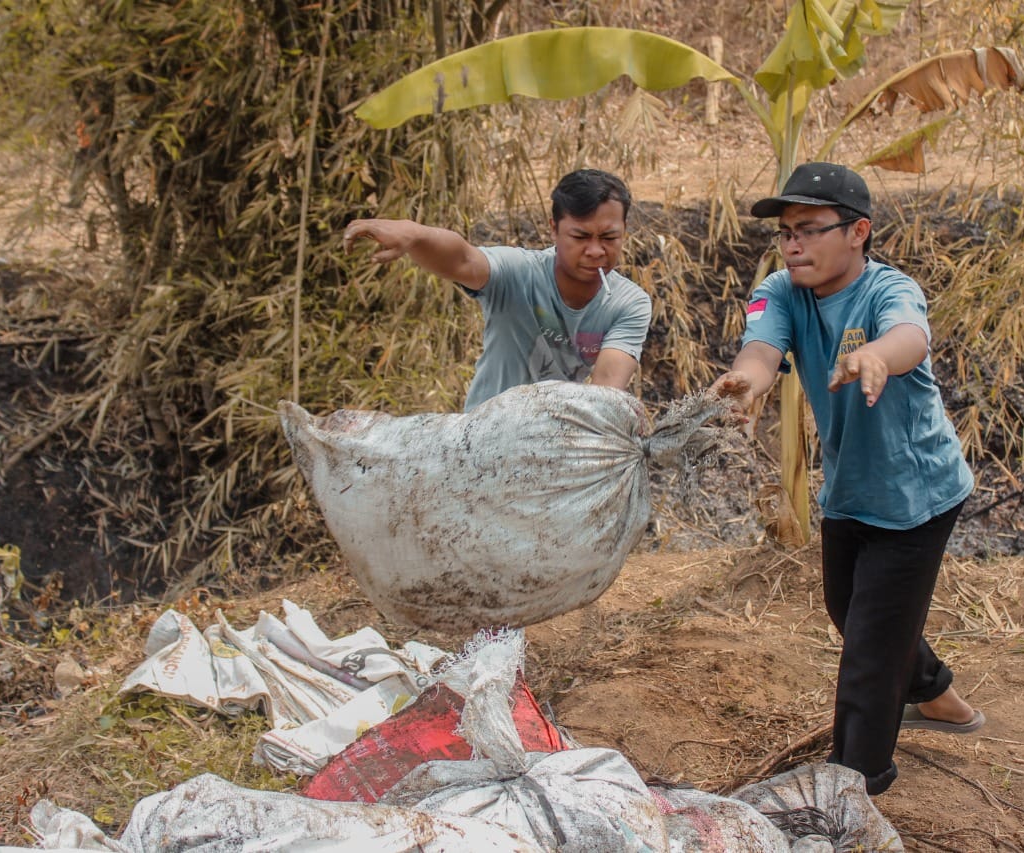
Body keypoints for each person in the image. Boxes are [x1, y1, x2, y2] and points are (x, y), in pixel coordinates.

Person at [710, 162, 984, 796]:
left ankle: (852, 789)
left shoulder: (889, 290)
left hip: (917, 498)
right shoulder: (782, 291)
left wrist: (874, 357)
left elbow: (910, 336)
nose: (792, 244)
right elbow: (760, 352)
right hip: (852, 491)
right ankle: (936, 694)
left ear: (858, 231)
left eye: (809, 229)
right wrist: (745, 389)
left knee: (867, 651)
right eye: (785, 232)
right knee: (848, 609)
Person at [343, 169, 652, 411]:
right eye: (581, 237)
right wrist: (415, 235)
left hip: (555, 454)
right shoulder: (518, 273)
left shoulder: (628, 304)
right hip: (482, 441)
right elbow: (463, 259)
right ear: (553, 229)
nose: (596, 251)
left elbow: (606, 391)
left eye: (610, 238)